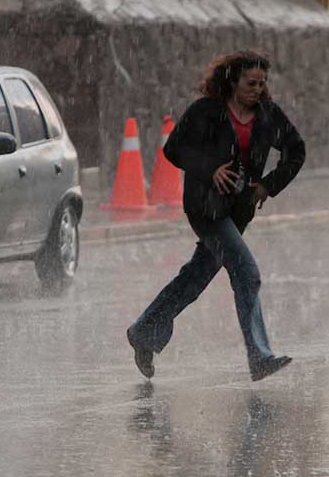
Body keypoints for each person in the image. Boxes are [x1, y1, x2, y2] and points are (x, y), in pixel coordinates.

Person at [127, 50, 306, 382]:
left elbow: (297, 150)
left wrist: (268, 185)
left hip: (238, 211)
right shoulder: (207, 111)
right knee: (247, 272)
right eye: (251, 83)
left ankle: (144, 332)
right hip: (205, 207)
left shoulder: (268, 115)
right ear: (233, 81)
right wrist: (210, 168)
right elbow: (174, 148)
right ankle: (260, 356)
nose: (257, 89)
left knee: (195, 277)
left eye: (262, 83)